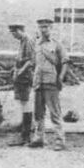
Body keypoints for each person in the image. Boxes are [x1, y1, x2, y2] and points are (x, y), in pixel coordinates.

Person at [29, 18, 69, 151]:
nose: (43, 29)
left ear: (51, 28)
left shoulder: (57, 44)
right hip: (38, 82)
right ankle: (39, 138)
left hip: (51, 81)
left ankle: (60, 140)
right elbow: (34, 62)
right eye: (41, 27)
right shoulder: (35, 44)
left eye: (46, 27)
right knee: (38, 113)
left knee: (55, 113)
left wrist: (61, 77)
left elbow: (65, 62)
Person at [8, 23, 35, 146]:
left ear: (19, 31)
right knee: (22, 103)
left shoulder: (28, 41)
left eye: (14, 33)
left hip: (25, 77)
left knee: (26, 104)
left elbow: (30, 60)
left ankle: (26, 136)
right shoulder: (22, 41)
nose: (13, 36)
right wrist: (15, 70)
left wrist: (20, 71)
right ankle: (24, 133)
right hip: (20, 76)